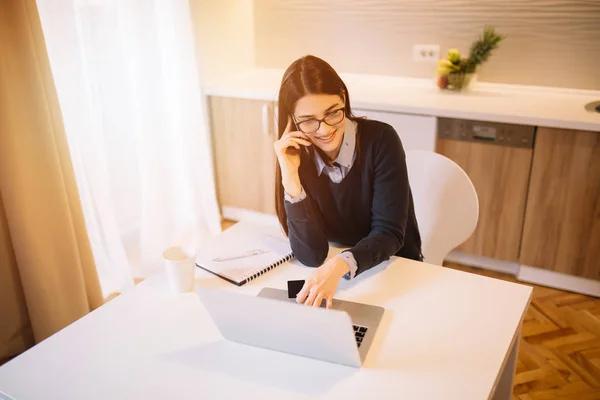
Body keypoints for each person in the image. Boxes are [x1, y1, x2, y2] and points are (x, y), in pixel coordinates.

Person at [273, 55, 422, 309]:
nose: (323, 130)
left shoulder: (382, 140)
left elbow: (389, 233)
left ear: (343, 98)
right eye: (308, 120)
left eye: (332, 113)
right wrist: (291, 180)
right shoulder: (297, 155)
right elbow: (311, 255)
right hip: (338, 276)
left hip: (391, 269)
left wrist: (340, 265)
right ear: (292, 120)